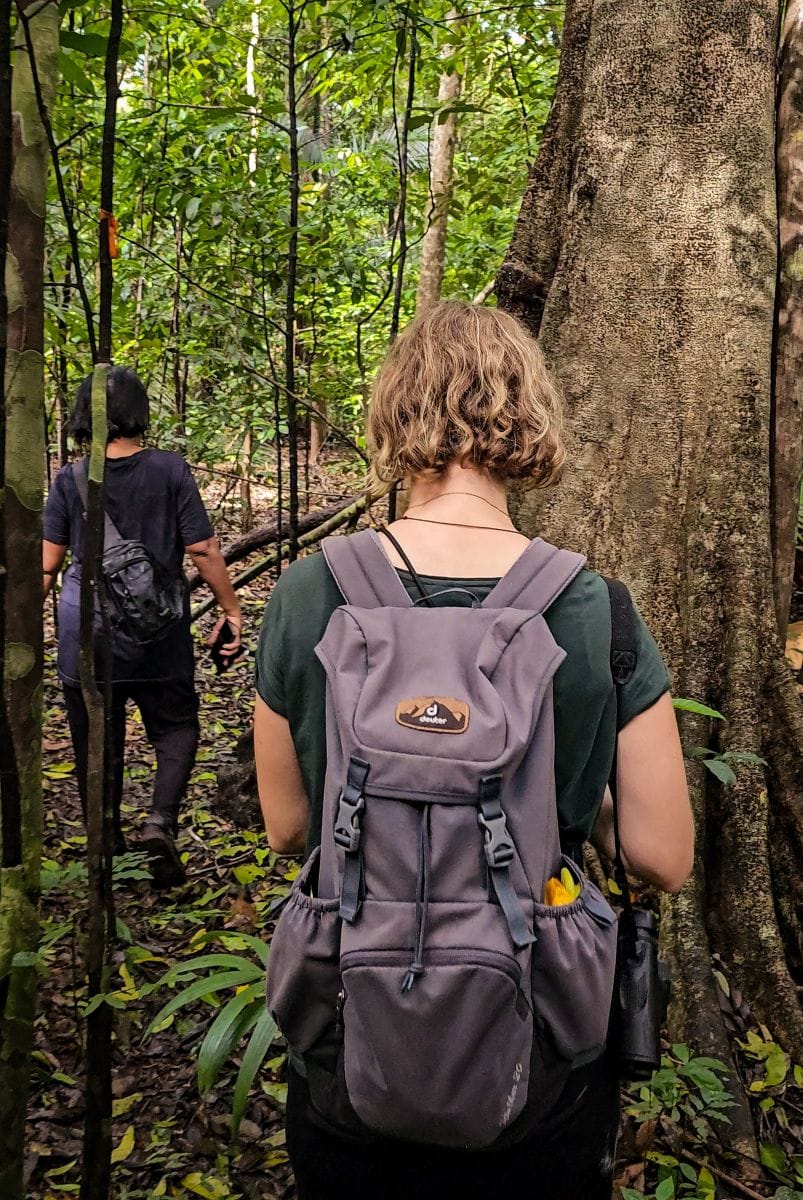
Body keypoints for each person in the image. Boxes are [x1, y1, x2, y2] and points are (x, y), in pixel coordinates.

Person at [252, 301, 694, 1199]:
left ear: (394, 413)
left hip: (350, 1033)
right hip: (537, 1051)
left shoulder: (309, 593)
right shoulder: (593, 608)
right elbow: (662, 857)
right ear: (527, 418)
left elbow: (288, 828)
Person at [43, 366, 242, 885]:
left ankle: (105, 840)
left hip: (86, 633)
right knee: (175, 725)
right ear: (139, 412)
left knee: (95, 735)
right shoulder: (171, 470)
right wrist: (231, 610)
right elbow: (202, 548)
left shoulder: (70, 478)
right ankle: (160, 824)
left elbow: (46, 565)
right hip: (157, 629)